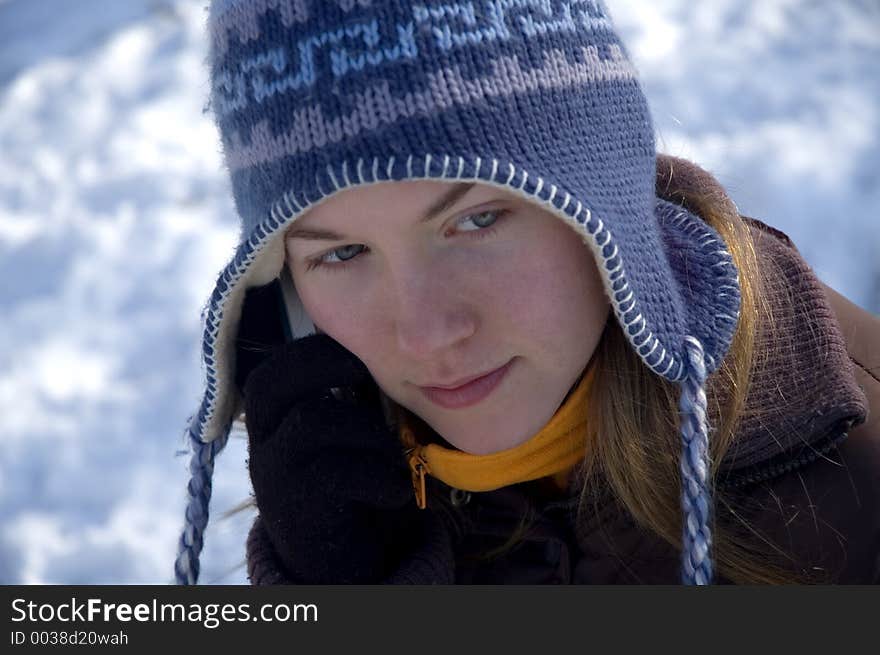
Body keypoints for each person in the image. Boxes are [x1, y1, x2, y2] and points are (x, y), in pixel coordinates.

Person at [175, 0, 880, 585]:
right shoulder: (347, 483)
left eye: (476, 220)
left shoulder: (853, 483)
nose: (426, 335)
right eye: (344, 252)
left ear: (599, 204)